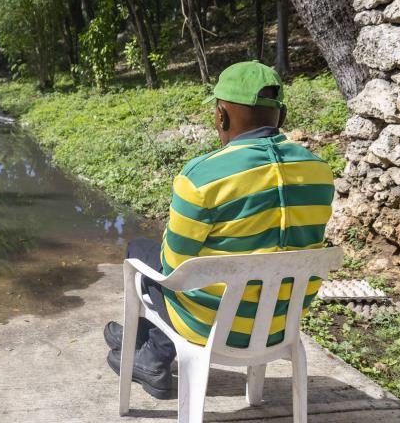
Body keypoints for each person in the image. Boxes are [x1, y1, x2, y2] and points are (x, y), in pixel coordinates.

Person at [103, 61, 334, 399]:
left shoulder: (200, 177)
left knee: (140, 251)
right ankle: (141, 338)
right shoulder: (319, 171)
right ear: (280, 117)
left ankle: (152, 356)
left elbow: (173, 268)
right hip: (281, 325)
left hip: (212, 328)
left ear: (221, 117)